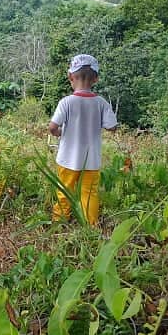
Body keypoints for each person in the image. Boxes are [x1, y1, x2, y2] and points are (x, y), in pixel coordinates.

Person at [48, 54, 118, 226]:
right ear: (95, 79)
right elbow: (112, 127)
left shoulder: (66, 102)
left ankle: (59, 221)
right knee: (89, 193)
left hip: (67, 159)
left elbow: (52, 126)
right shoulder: (101, 103)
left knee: (65, 191)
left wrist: (59, 132)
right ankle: (91, 226)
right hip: (91, 160)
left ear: (70, 77)